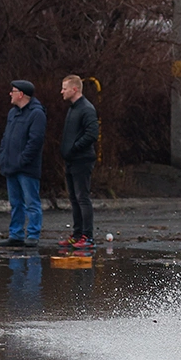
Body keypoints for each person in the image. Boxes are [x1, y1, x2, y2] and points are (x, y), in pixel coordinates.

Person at [0, 80, 46, 247]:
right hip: (11, 165)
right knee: (15, 203)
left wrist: (22, 160)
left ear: (21, 94)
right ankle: (16, 234)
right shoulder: (13, 113)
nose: (10, 94)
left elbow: (35, 141)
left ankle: (33, 234)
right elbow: (6, 137)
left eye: (13, 91)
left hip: (27, 168)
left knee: (31, 202)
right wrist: (3, 155)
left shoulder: (36, 114)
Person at [60, 75, 99, 249]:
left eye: (65, 88)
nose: (62, 91)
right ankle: (77, 234)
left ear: (74, 89)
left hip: (82, 160)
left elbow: (92, 134)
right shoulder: (73, 108)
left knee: (82, 197)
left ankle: (87, 236)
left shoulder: (86, 109)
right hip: (71, 159)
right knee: (74, 198)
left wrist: (74, 148)